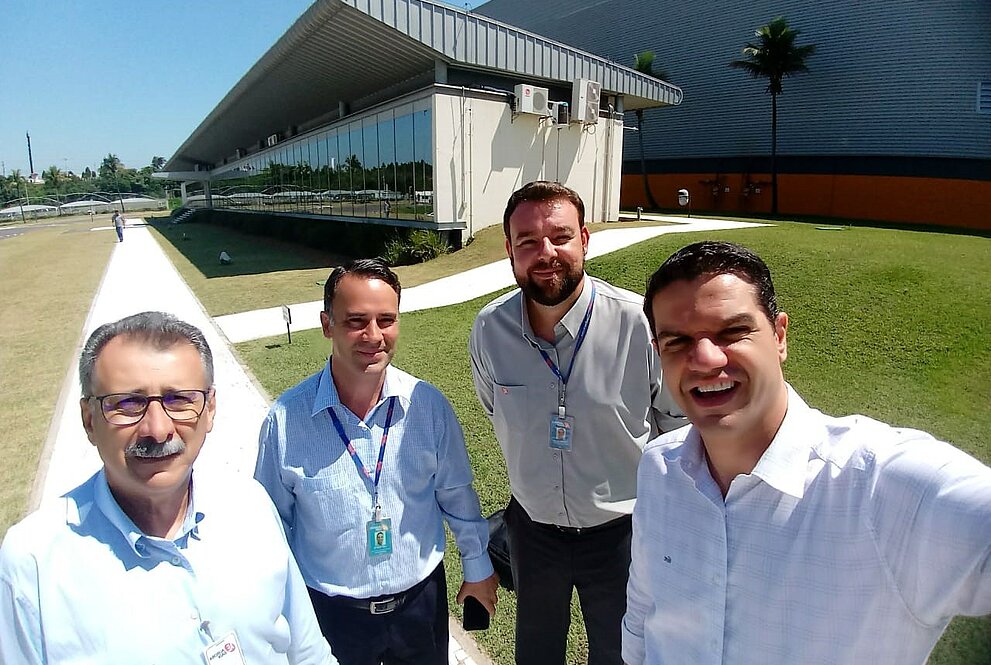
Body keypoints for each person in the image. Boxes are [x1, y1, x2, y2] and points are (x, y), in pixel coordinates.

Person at [623, 240, 991, 665]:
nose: (705, 359)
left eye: (733, 332)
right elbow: (644, 614)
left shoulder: (884, 488)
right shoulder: (660, 466)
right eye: (677, 341)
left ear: (779, 336)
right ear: (659, 354)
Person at [0, 311, 335, 665]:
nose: (158, 430)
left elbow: (308, 654)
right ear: (89, 420)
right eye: (127, 403)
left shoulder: (251, 506)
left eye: (179, 400)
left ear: (210, 409)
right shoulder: (33, 564)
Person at [468, 181, 684, 665]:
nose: (546, 253)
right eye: (527, 241)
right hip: (532, 532)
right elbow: (493, 408)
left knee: (619, 653)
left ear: (584, 239)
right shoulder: (489, 329)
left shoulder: (638, 324)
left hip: (621, 533)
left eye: (560, 236)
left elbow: (675, 428)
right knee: (536, 653)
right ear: (509, 249)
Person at [255, 258, 498, 665]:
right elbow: (271, 526)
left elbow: (456, 494)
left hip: (421, 606)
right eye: (356, 321)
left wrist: (477, 566)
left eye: (386, 320)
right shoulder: (284, 421)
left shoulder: (428, 406)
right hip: (332, 616)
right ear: (327, 324)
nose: (373, 335)